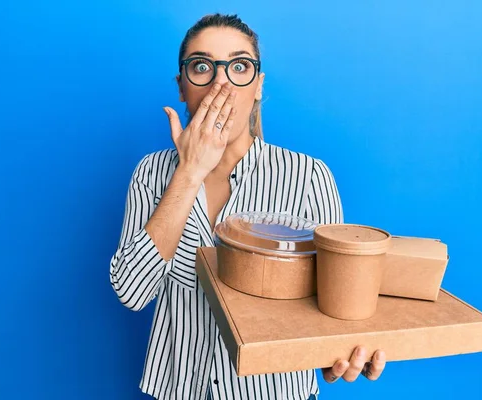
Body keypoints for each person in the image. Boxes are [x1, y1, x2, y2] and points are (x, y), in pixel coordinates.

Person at [109, 13, 387, 400]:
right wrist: (189, 172)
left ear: (257, 86)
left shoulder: (308, 176)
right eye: (202, 66)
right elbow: (133, 291)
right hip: (179, 389)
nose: (221, 83)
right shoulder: (152, 173)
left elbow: (330, 301)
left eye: (239, 66)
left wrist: (340, 352)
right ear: (182, 87)